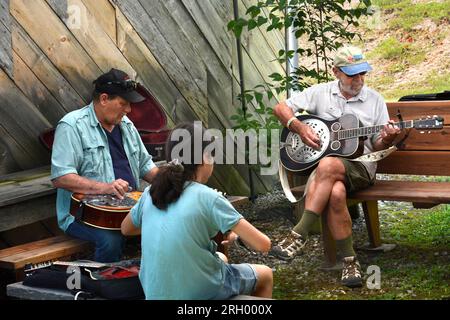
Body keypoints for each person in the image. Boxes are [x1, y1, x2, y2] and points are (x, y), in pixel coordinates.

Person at [271, 45, 401, 288]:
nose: (359, 79)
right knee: (336, 192)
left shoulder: (374, 100)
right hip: (327, 174)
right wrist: (299, 127)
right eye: (352, 74)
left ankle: (299, 234)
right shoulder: (321, 93)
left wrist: (389, 137)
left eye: (362, 73)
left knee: (329, 164)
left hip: (361, 167)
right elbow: (280, 108)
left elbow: (379, 143)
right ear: (336, 72)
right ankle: (350, 261)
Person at [121, 122, 273, 300]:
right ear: (204, 158)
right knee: (265, 274)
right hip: (200, 291)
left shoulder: (151, 192)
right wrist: (236, 238)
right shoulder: (209, 197)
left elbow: (126, 229)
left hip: (155, 292)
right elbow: (263, 245)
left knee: (220, 259)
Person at [51, 68, 159, 263]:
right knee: (110, 240)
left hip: (127, 209)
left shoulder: (126, 125)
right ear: (103, 99)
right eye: (123, 104)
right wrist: (106, 187)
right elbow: (61, 177)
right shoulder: (71, 126)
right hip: (84, 216)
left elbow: (145, 165)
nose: (128, 110)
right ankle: (103, 287)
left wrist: (174, 182)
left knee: (168, 224)